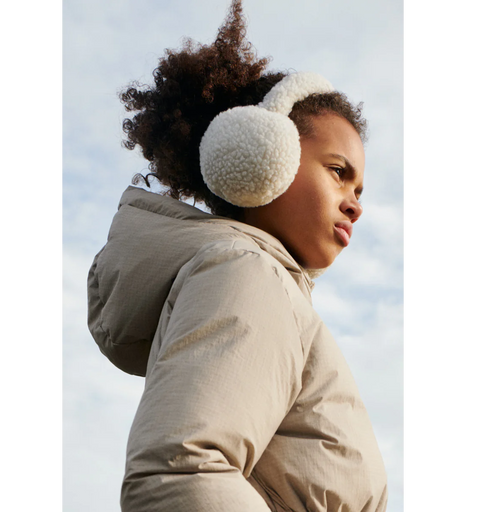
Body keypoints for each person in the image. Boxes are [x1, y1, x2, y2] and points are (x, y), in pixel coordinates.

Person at [87, 1, 388, 510]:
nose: (356, 204)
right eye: (339, 171)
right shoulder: (248, 274)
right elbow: (181, 473)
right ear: (265, 156)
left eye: (360, 187)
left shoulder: (256, 280)